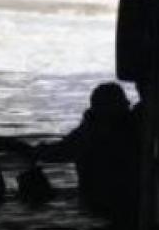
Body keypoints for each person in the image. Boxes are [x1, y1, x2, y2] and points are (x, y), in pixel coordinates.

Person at [37, 82, 139, 220]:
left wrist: (32, 151)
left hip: (101, 206)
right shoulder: (133, 127)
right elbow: (57, 152)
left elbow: (56, 152)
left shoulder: (89, 132)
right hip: (114, 206)